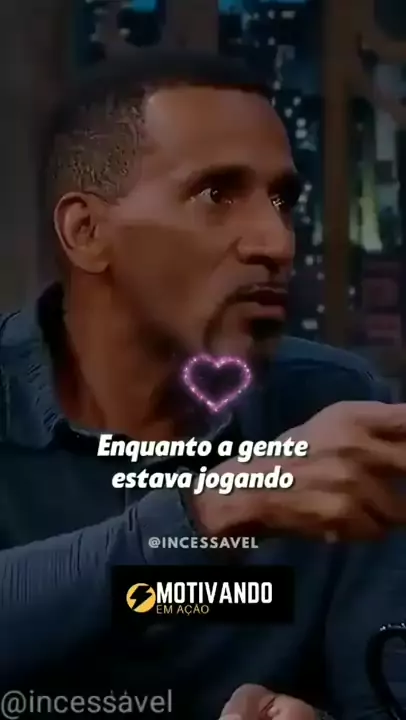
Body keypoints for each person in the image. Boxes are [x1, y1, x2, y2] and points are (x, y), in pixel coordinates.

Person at [1, 49, 406, 719]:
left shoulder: (334, 403)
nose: (276, 242)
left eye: (282, 200)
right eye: (217, 194)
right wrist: (209, 512)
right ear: (86, 231)